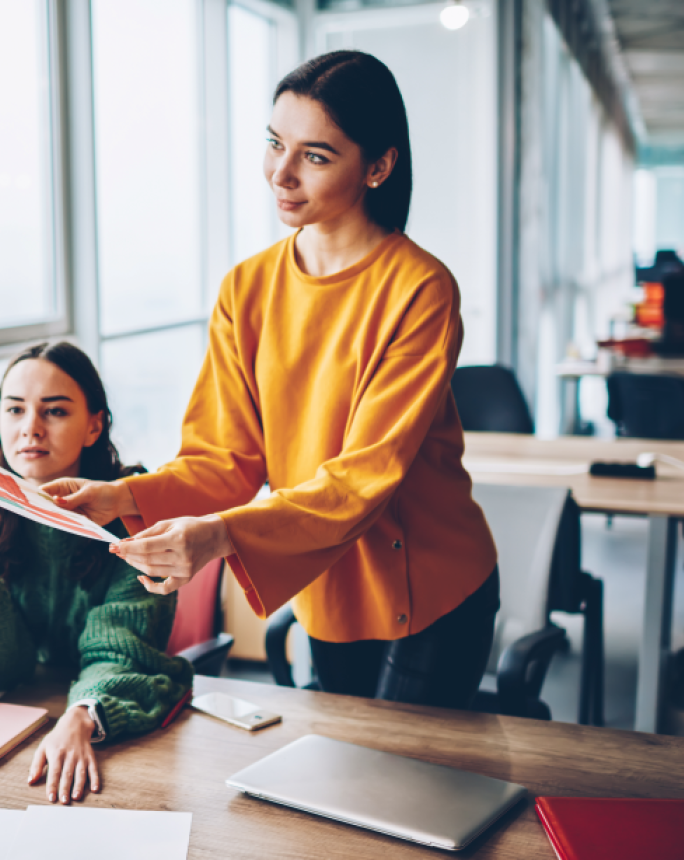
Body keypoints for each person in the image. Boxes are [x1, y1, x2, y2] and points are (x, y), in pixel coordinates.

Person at [46, 51, 500, 710]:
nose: (281, 175)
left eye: (315, 156)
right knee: (348, 779)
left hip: (429, 583)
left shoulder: (420, 289)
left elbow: (365, 478)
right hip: (324, 576)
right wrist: (120, 497)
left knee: (402, 785)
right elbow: (225, 461)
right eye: (273, 144)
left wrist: (222, 533)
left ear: (379, 166)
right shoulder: (247, 287)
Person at [0, 342, 192, 805]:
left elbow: (121, 649)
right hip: (7, 729)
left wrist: (84, 714)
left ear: (94, 426)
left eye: (55, 412)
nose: (30, 429)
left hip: (104, 735)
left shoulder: (134, 512)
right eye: (15, 410)